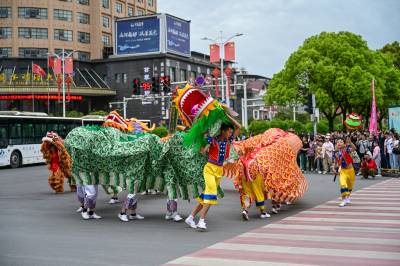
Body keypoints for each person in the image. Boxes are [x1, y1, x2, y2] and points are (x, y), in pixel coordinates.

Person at [185, 122, 239, 231]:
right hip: (209, 169)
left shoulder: (228, 140)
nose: (230, 133)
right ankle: (201, 221)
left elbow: (239, 127)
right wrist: (203, 146)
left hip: (219, 170)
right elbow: (202, 140)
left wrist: (226, 115)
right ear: (223, 131)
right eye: (229, 131)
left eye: (231, 132)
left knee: (205, 196)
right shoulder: (213, 139)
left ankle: (190, 217)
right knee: (211, 194)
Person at [333, 138, 356, 207]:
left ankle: (348, 196)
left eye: (341, 142)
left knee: (350, 186)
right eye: (338, 142)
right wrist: (333, 168)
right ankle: (343, 200)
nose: (339, 143)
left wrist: (350, 142)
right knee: (343, 184)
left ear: (344, 144)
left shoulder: (347, 150)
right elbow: (335, 163)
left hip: (351, 171)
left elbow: (354, 148)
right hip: (343, 171)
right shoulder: (336, 153)